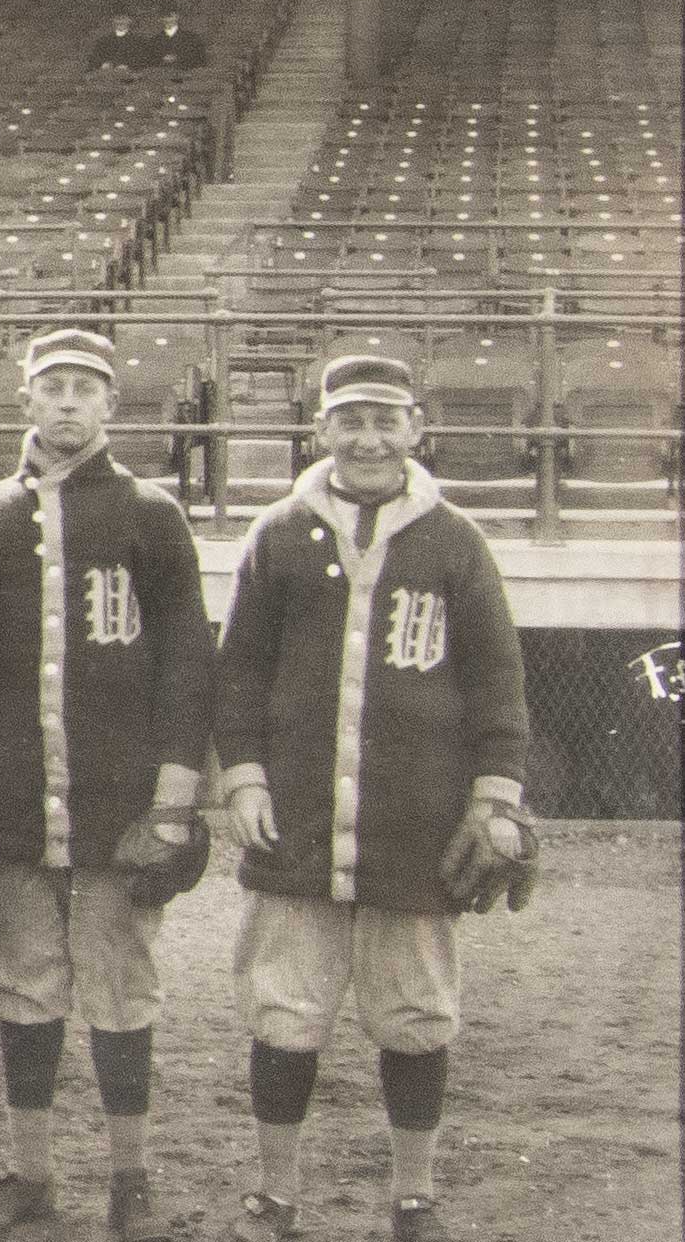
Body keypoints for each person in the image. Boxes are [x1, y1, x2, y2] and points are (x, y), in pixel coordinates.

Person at [210, 353, 541, 1242]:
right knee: (283, 1014)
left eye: (384, 420)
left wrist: (494, 798)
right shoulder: (278, 532)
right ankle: (275, 1193)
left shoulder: (454, 539)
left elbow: (497, 680)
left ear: (415, 429)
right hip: (296, 819)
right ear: (319, 429)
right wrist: (242, 776)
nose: (366, 439)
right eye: (348, 420)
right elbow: (237, 672)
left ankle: (413, 1197)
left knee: (415, 1017)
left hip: (416, 821)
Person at [0, 329, 216, 1239]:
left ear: (112, 404)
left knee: (120, 990)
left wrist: (172, 803)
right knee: (22, 987)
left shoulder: (151, 513)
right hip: (9, 802)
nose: (69, 402)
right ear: (24, 400)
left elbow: (187, 665)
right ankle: (30, 1172)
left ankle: (130, 1177)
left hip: (118, 806)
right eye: (52, 386)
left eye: (86, 387)